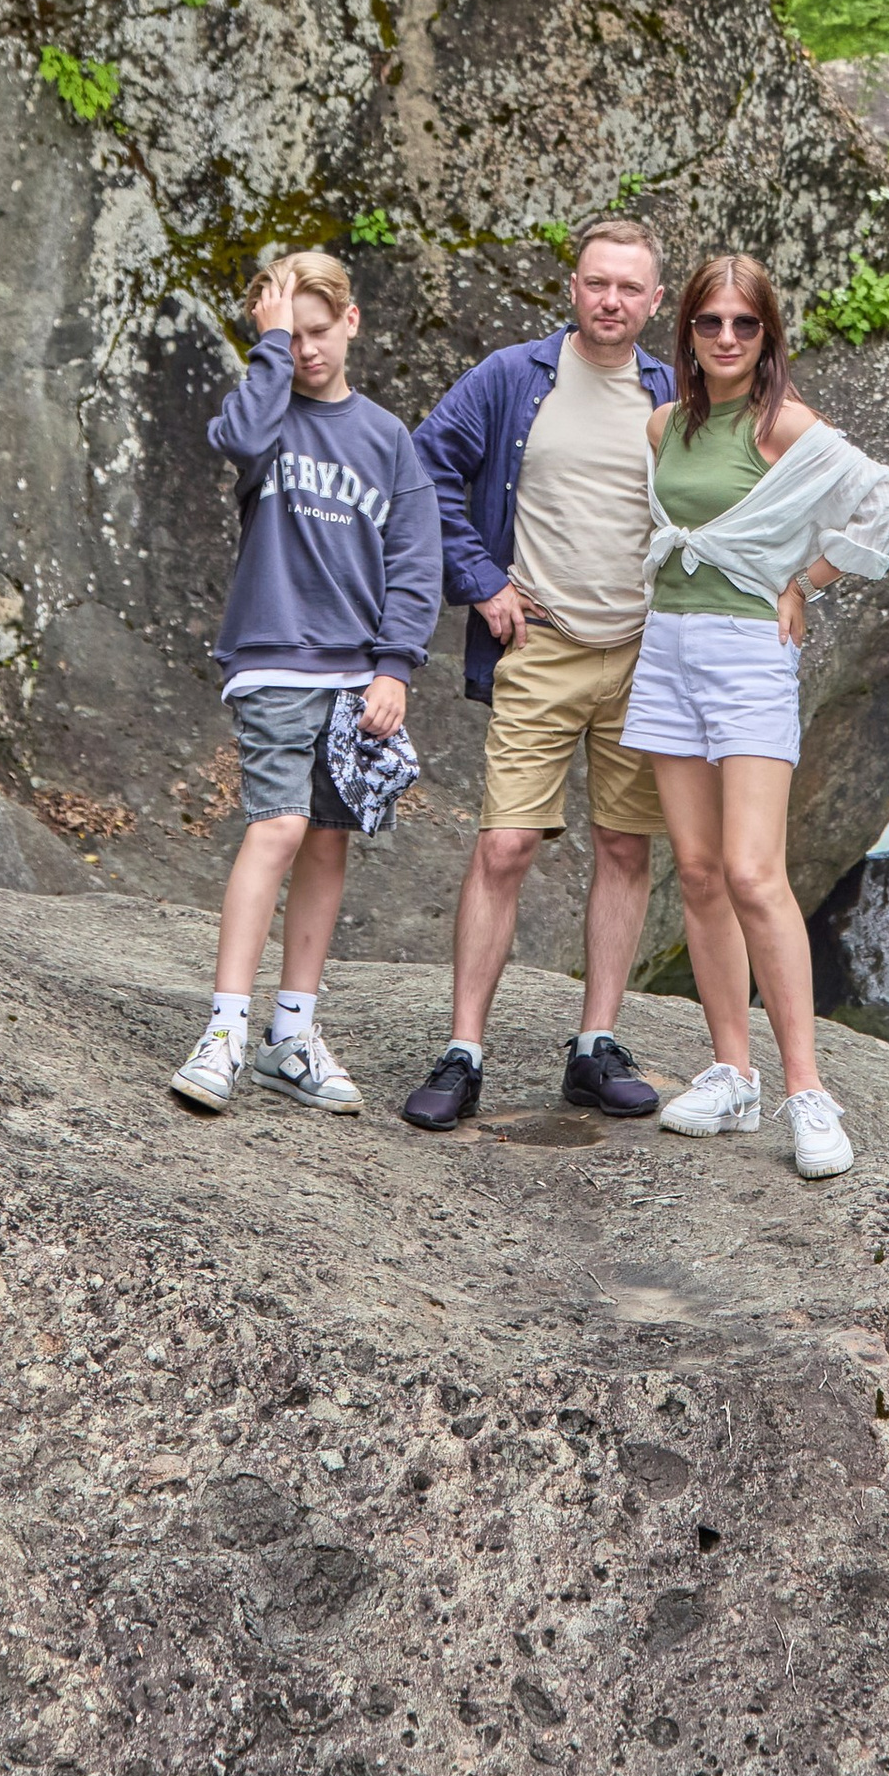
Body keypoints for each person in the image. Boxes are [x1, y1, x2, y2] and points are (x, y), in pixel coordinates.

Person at [628, 252, 889, 1181]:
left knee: (756, 873)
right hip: (667, 650)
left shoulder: (782, 423)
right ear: (688, 332)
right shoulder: (665, 423)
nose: (724, 338)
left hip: (750, 655)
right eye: (709, 322)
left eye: (743, 325)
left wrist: (806, 578)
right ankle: (731, 1069)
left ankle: (806, 1090)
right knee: (702, 872)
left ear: (767, 335)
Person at [399, 219, 677, 1131]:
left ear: (654, 300)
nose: (611, 300)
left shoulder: (676, 392)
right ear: (572, 287)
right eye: (597, 283)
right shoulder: (513, 377)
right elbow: (424, 465)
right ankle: (464, 1050)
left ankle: (595, 1046)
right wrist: (481, 581)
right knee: (504, 845)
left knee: (627, 847)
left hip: (643, 655)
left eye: (629, 288)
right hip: (544, 648)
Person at [168, 250, 441, 1122]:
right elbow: (239, 439)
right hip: (273, 659)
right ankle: (224, 1028)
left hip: (356, 673)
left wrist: (396, 663)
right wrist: (271, 346)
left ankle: (295, 1030)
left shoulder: (387, 438)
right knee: (278, 825)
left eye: (319, 332)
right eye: (294, 336)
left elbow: (414, 559)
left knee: (328, 839)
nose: (309, 351)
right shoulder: (267, 415)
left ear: (352, 322)